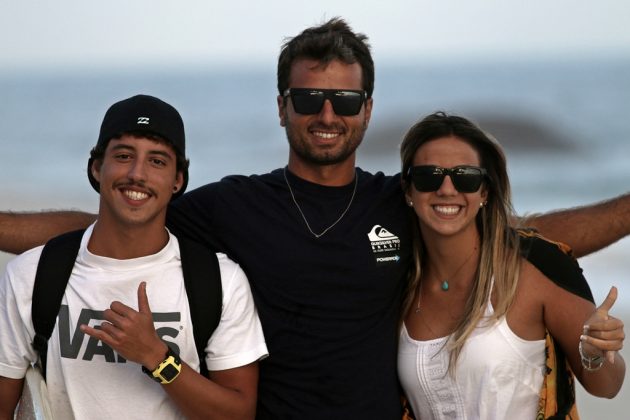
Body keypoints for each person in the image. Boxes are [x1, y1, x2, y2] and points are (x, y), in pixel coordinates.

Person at [1, 19, 630, 419]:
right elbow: (109, 219)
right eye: (308, 98)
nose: (326, 113)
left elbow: (523, 235)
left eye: (344, 99)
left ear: (366, 108)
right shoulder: (233, 206)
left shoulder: (404, 199)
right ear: (282, 107)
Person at [0, 94, 268, 420]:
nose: (137, 174)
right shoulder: (31, 275)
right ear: (97, 167)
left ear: (178, 180)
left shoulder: (219, 281)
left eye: (157, 161)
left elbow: (239, 414)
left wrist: (157, 357)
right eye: (124, 156)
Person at [397, 111, 625, 419]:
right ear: (409, 190)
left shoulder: (534, 272)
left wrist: (596, 354)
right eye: (428, 176)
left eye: (465, 176)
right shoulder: (396, 284)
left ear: (485, 191)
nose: (447, 189)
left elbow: (607, 387)